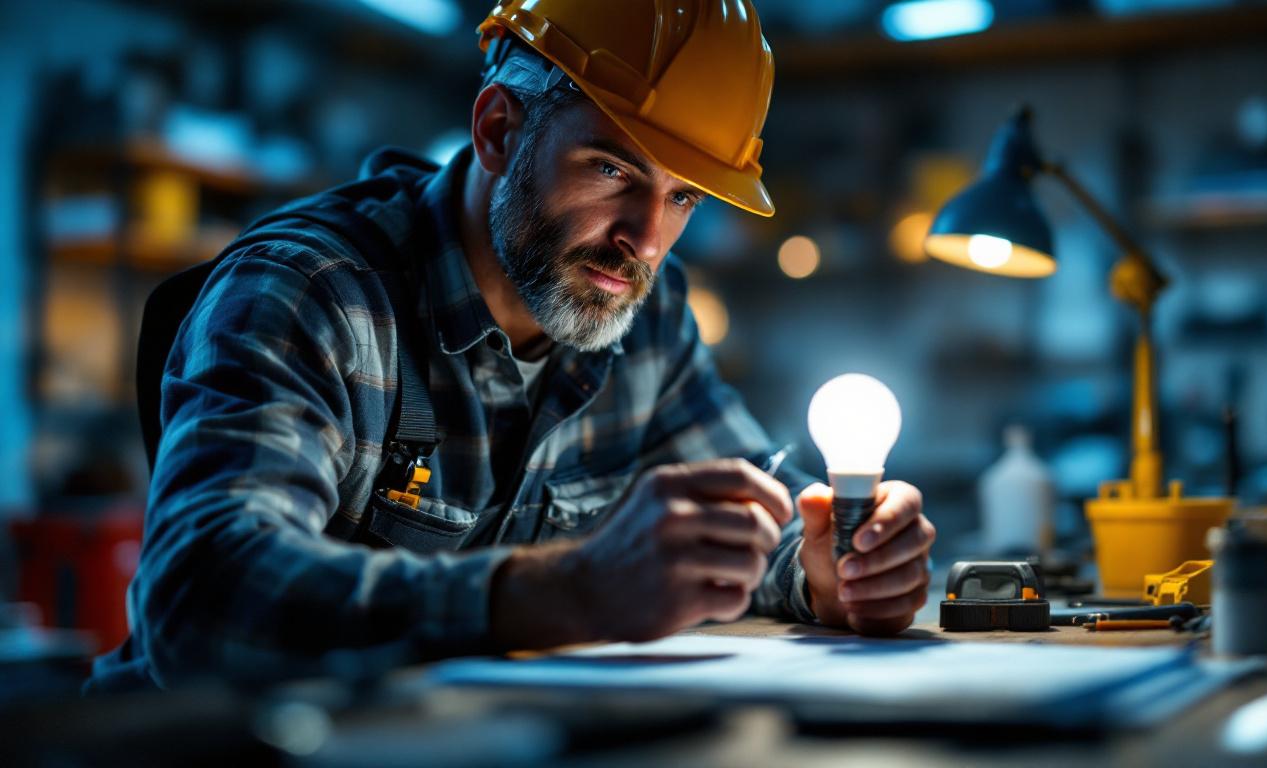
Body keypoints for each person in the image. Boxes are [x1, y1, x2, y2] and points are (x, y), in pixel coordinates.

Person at [89, 0, 935, 692]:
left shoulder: (644, 309)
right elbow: (200, 602)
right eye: (614, 171)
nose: (644, 240)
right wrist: (565, 590)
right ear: (497, 130)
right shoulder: (312, 293)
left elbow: (763, 519)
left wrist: (830, 570)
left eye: (683, 199)